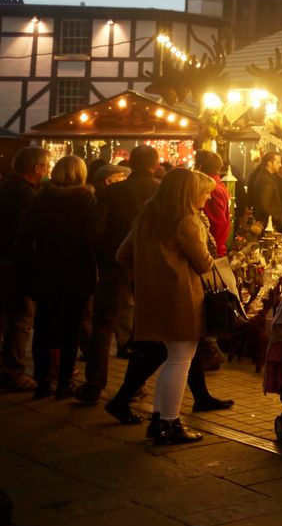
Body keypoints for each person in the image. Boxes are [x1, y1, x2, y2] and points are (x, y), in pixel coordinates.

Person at [108, 168, 217, 444]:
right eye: (202, 191)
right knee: (180, 360)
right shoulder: (186, 221)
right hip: (182, 298)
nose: (205, 197)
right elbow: (204, 263)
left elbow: (122, 254)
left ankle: (160, 419)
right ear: (188, 191)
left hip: (151, 298)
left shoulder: (146, 218)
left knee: (171, 359)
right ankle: (168, 422)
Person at [80, 144, 161, 402]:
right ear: (154, 164)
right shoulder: (161, 192)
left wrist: (103, 260)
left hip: (114, 267)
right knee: (143, 332)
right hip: (150, 270)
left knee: (103, 327)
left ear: (130, 163)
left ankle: (94, 386)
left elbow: (94, 232)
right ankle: (133, 387)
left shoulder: (112, 192)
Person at [24, 155, 98, 399]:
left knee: (43, 326)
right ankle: (65, 381)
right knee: (71, 328)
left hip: (46, 269)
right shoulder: (87, 200)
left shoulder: (40, 198)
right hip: (77, 270)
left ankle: (43, 380)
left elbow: (26, 237)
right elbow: (93, 237)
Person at [0, 146, 50, 391]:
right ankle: (12, 372)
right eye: (46, 166)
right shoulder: (27, 196)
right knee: (20, 319)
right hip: (15, 264)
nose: (47, 170)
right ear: (36, 168)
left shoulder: (5, 188)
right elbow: (28, 237)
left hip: (4, 260)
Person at [193, 150, 231, 259]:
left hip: (212, 251)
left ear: (199, 167)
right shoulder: (219, 185)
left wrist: (211, 249)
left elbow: (217, 223)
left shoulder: (210, 189)